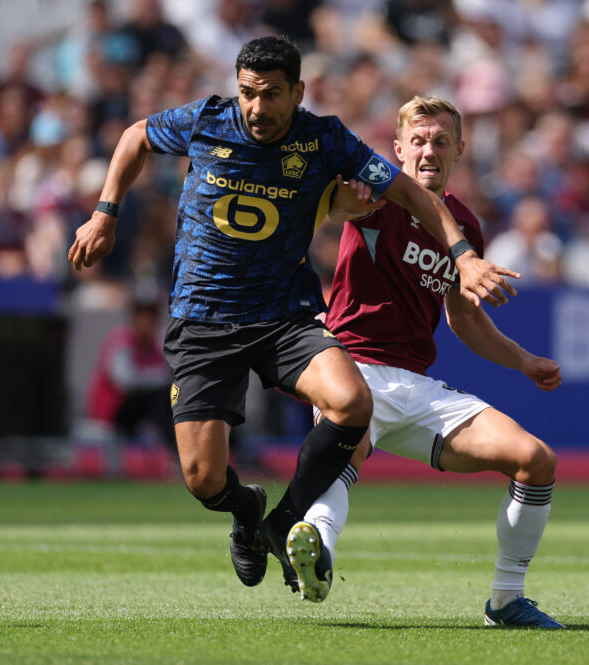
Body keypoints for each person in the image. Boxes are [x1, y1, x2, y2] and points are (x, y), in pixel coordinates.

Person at [68, 37, 518, 593]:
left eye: (272, 95)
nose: (257, 107)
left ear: (297, 93)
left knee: (353, 403)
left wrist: (464, 256)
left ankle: (287, 520)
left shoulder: (323, 139)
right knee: (204, 480)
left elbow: (414, 195)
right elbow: (135, 135)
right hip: (202, 321)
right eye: (248, 93)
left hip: (284, 316)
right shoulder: (207, 119)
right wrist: (104, 214)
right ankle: (246, 509)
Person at [284, 96, 565, 628]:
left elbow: (463, 321)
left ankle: (506, 601)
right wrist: (345, 196)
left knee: (536, 459)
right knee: (347, 449)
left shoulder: (463, 227)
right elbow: (328, 202)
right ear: (398, 149)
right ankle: (316, 549)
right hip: (350, 371)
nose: (428, 150)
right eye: (417, 140)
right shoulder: (370, 197)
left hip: (418, 386)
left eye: (439, 141)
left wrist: (523, 361)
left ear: (459, 150)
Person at [84, 290, 178, 462]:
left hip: (139, 408)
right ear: (134, 317)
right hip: (113, 410)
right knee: (159, 396)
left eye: (152, 316)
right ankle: (176, 452)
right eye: (143, 315)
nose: (148, 321)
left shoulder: (153, 344)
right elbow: (125, 381)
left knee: (171, 396)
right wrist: (160, 377)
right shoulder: (120, 341)